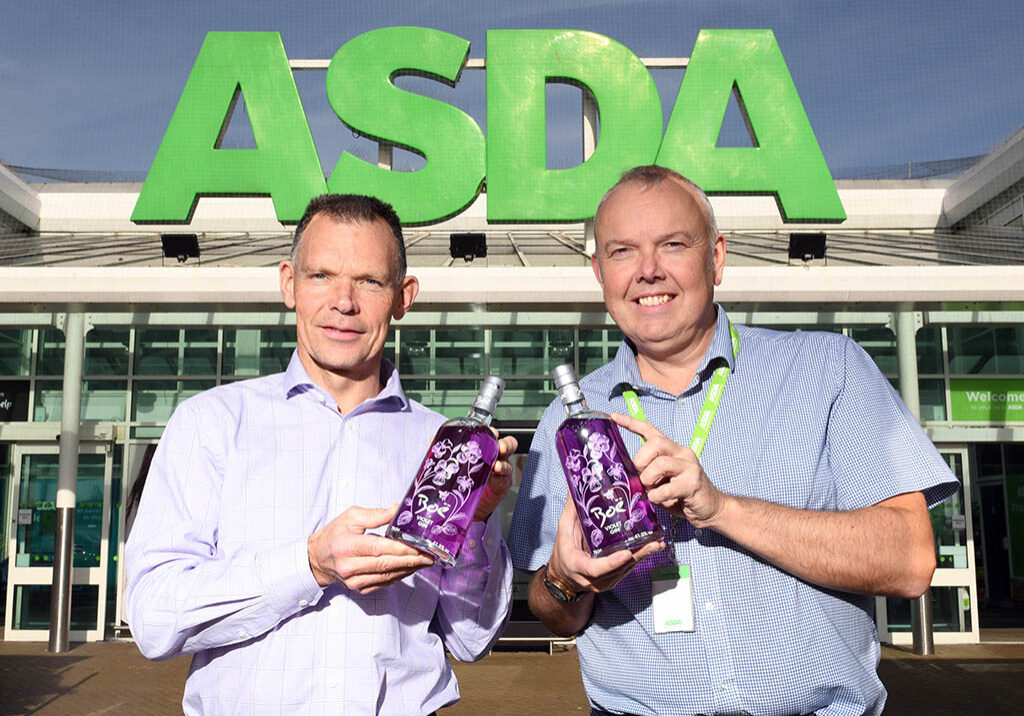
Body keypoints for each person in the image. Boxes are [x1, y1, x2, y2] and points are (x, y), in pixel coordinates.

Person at [508, 165, 958, 716]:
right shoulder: (569, 420)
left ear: (716, 257)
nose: (648, 271)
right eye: (623, 252)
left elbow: (910, 561)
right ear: (600, 272)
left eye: (672, 244)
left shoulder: (830, 370)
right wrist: (563, 580)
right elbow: (555, 612)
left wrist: (721, 508)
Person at [125, 194, 517, 716]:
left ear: (404, 297)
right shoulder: (211, 424)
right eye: (321, 276)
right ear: (289, 283)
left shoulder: (441, 447)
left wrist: (475, 522)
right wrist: (309, 565)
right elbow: (154, 618)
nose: (344, 302)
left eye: (370, 282)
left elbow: (472, 639)